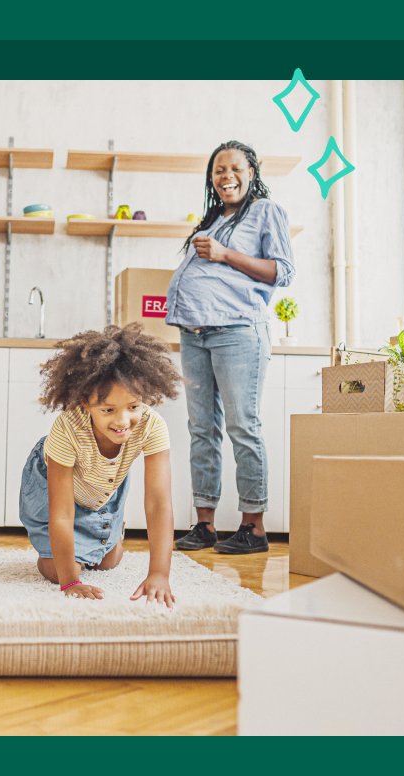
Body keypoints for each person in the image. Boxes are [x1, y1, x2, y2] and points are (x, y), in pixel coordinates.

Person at [166, 140, 295, 554]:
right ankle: (205, 524)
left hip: (238, 332)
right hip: (195, 333)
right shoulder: (212, 219)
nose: (226, 177)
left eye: (235, 168)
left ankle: (253, 527)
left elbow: (281, 271)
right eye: (219, 170)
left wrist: (224, 255)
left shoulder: (266, 213)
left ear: (252, 173)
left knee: (243, 426)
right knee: (201, 428)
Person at [19, 324, 181, 607]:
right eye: (107, 410)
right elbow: (61, 514)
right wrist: (70, 581)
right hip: (52, 484)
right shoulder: (67, 427)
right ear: (85, 402)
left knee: (108, 562)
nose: (122, 421)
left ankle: (104, 535)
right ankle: (76, 556)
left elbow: (159, 503)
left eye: (133, 406)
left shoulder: (152, 426)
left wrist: (159, 573)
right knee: (57, 570)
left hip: (104, 484)